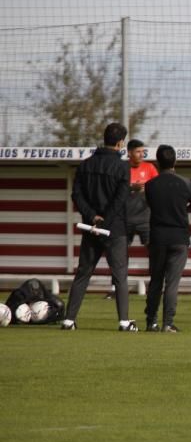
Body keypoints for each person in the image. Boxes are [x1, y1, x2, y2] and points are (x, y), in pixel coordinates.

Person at [61, 123, 136, 331]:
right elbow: (120, 199)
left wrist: (92, 216)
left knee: (83, 273)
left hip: (90, 227)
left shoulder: (85, 165)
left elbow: (77, 195)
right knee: (120, 275)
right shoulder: (122, 167)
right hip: (115, 229)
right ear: (121, 142)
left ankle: (69, 320)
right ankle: (123, 322)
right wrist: (106, 220)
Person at [143, 145, 191, 333]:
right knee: (172, 283)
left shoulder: (150, 185)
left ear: (157, 163)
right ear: (175, 161)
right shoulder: (186, 183)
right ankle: (168, 322)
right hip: (179, 238)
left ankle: (151, 321)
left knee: (156, 280)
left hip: (157, 237)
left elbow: (149, 203)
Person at [106, 139, 158, 299]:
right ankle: (116, 289)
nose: (141, 154)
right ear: (129, 153)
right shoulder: (122, 168)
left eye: (143, 151)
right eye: (138, 151)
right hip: (124, 220)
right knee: (119, 255)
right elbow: (114, 190)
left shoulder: (149, 168)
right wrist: (131, 187)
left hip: (145, 220)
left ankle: (154, 288)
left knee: (154, 253)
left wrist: (147, 188)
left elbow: (157, 187)